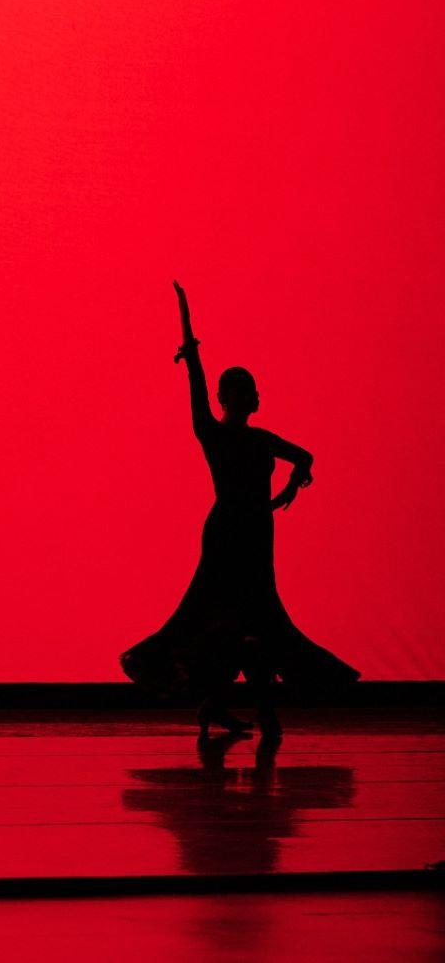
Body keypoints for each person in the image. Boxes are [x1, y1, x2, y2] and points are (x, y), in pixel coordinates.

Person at [121, 283, 358, 739]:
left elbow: (305, 457)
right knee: (225, 620)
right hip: (228, 533)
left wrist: (290, 488)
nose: (257, 395)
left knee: (255, 620)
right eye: (250, 390)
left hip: (256, 534)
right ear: (230, 396)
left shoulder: (260, 439)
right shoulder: (213, 433)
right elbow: (195, 386)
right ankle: (254, 711)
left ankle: (222, 706)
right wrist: (190, 349)